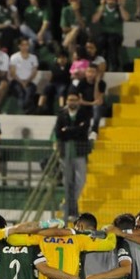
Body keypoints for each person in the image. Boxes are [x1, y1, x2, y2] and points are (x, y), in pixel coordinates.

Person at [54, 92, 91, 221]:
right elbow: (58, 132)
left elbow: (83, 131)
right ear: (66, 101)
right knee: (68, 182)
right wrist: (75, 129)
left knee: (80, 181)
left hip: (79, 152)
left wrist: (67, 130)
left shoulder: (84, 113)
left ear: (78, 101)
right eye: (70, 99)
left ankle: (67, 205)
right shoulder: (61, 114)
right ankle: (72, 211)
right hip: (65, 153)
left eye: (74, 100)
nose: (72, 102)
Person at [92, 0, 127, 71]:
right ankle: (100, 65)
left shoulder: (119, 9)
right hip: (104, 33)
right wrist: (101, 6)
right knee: (101, 40)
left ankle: (115, 66)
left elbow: (126, 18)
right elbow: (95, 20)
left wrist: (120, 6)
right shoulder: (101, 8)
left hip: (116, 34)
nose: (110, 1)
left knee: (112, 40)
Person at [9, 37, 39, 114]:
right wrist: (21, 82)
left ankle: (25, 110)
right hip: (16, 81)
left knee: (29, 92)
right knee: (21, 93)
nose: (25, 47)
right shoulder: (14, 57)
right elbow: (12, 73)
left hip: (29, 81)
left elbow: (34, 72)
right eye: (23, 45)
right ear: (19, 46)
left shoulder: (33, 58)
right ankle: (23, 111)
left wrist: (27, 81)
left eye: (26, 45)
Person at [37, 50, 70, 114]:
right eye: (60, 58)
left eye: (63, 58)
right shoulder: (53, 66)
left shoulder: (69, 66)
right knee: (46, 88)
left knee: (61, 90)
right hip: (54, 83)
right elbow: (51, 77)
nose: (62, 60)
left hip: (63, 83)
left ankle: (61, 107)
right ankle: (39, 107)